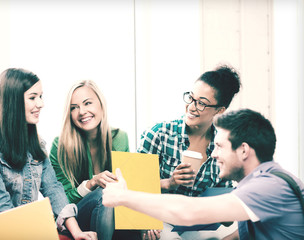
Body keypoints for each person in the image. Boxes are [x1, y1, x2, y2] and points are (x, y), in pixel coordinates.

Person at [102, 109, 304, 239]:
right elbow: (238, 236)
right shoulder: (262, 182)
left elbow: (188, 212)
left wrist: (123, 197)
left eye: (219, 147)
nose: (214, 154)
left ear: (243, 150)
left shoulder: (268, 186)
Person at [0, 68, 97, 240]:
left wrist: (77, 233)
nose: (40, 104)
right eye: (33, 97)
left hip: (29, 232)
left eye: (41, 96)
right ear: (13, 101)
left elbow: (53, 189)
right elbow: (0, 209)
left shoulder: (36, 144)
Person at [137, 64, 241, 239]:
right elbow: (133, 184)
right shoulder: (159, 134)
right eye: (191, 98)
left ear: (220, 110)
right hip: (160, 219)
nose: (191, 107)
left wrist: (229, 210)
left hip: (197, 225)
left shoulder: (223, 148)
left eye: (201, 103)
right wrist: (169, 183)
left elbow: (227, 218)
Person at [49, 80, 133, 240]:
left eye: (87, 103)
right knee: (104, 193)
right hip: (77, 218)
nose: (81, 111)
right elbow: (61, 201)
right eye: (74, 108)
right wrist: (91, 183)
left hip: (113, 215)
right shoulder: (60, 146)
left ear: (101, 104)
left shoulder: (119, 138)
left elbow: (128, 187)